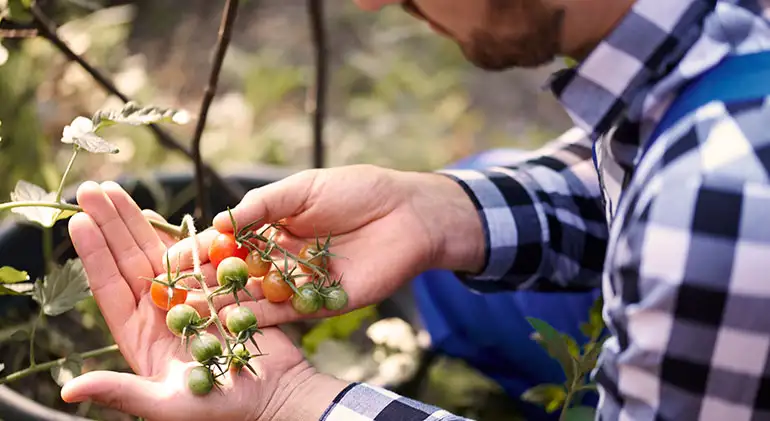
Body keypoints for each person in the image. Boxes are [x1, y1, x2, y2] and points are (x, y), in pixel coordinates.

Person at [62, 0, 770, 420]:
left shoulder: (714, 206)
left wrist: (293, 401)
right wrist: (439, 211)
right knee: (470, 195)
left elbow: (693, 209)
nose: (369, 2)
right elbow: (637, 159)